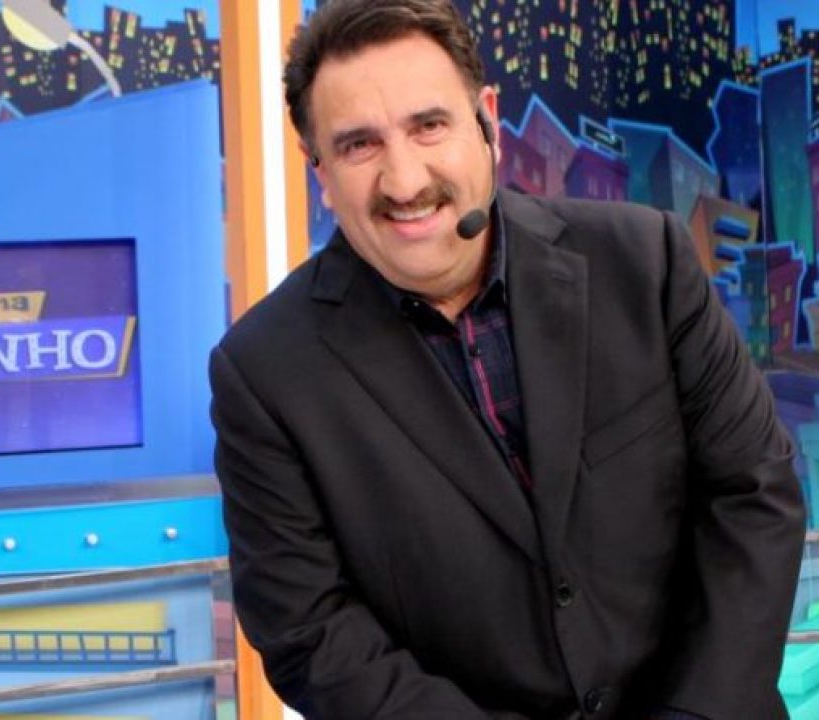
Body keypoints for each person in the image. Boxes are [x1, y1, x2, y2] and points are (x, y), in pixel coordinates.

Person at [208, 1, 806, 718]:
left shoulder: (647, 261)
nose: (404, 181)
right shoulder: (263, 372)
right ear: (322, 173)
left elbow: (753, 494)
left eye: (429, 126)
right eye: (359, 145)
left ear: (487, 121)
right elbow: (312, 634)